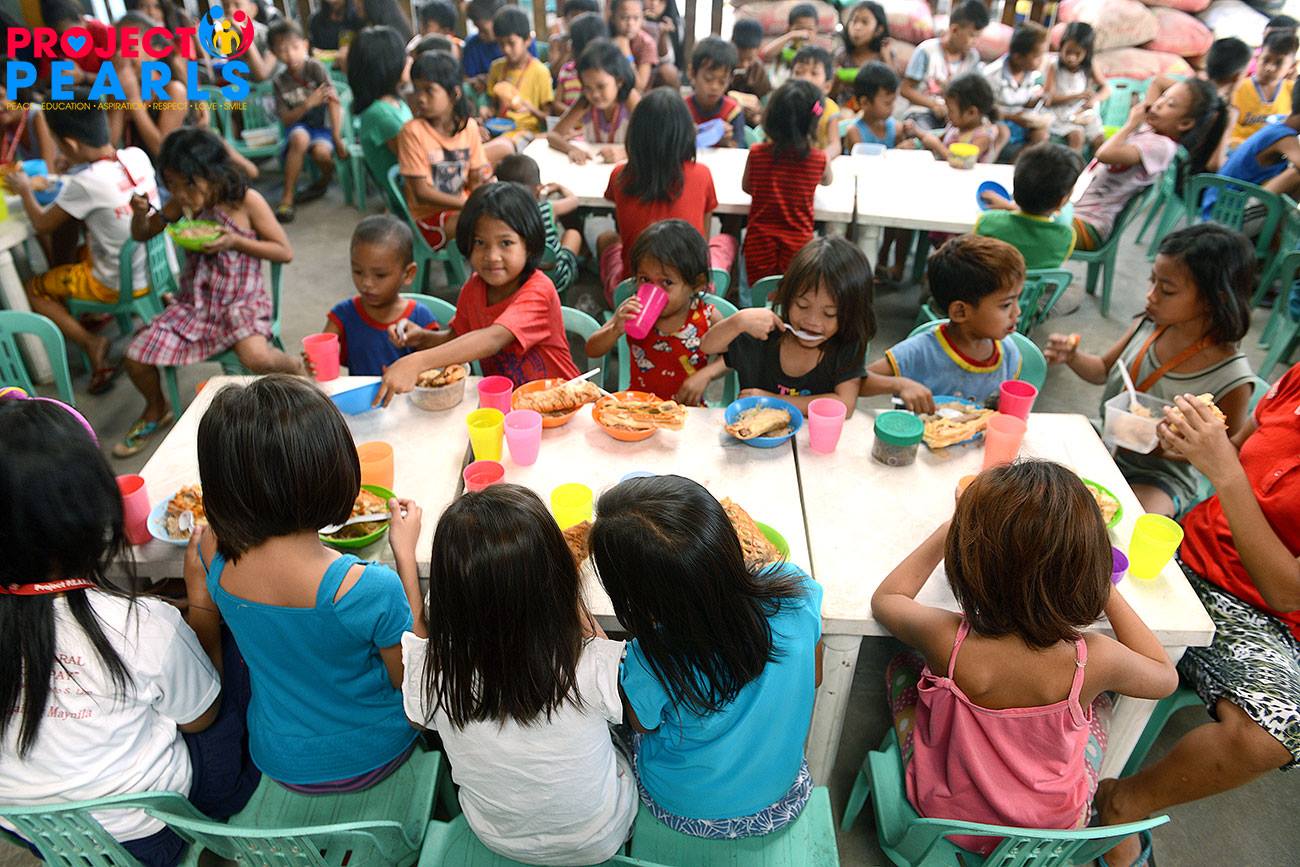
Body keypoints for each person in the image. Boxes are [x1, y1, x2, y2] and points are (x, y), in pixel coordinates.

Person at [0, 396, 259, 867]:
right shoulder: (138, 627)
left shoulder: (132, 625)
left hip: (44, 836)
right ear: (92, 510)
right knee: (239, 648)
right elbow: (202, 717)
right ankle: (225, 814)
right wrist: (201, 600)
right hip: (148, 835)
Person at [874, 461, 1177, 857]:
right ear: (1088, 570)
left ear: (967, 562)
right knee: (1100, 704)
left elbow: (887, 599)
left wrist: (952, 527)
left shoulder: (948, 640)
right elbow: (1164, 677)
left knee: (902, 666)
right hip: (1051, 830)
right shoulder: (1095, 659)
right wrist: (1105, 588)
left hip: (946, 816)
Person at [1094, 373, 1300, 867]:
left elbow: (1286, 590)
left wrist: (1223, 469)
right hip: (1186, 548)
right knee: (1057, 572)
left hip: (1259, 611)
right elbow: (1239, 448)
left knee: (1274, 733)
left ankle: (1123, 802)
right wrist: (1192, 443)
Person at [194, 376, 425, 792]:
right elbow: (410, 681)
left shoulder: (208, 551)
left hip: (278, 759)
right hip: (372, 754)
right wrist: (405, 557)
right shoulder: (368, 588)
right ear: (333, 471)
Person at [402, 485, 637, 864]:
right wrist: (569, 592)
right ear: (557, 579)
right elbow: (601, 652)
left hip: (497, 836)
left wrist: (405, 558)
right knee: (626, 736)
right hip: (597, 838)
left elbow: (417, 713)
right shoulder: (592, 662)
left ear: (447, 594)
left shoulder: (434, 673)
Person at [590, 474, 824, 838]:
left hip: (688, 810)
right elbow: (815, 676)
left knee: (602, 727)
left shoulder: (652, 658)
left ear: (635, 596)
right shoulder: (796, 591)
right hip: (781, 795)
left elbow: (643, 725)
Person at [1044, 224, 1256, 517]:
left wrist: (1162, 447)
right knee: (1040, 474)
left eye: (1166, 290)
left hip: (1160, 475)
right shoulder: (1148, 325)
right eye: (1152, 280)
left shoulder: (1232, 379)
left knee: (1132, 522)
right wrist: (1073, 357)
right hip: (1106, 439)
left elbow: (1225, 455)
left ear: (1214, 299)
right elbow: (1103, 369)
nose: (1151, 296)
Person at [119, 128, 300, 458]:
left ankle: (298, 370)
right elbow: (144, 234)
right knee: (134, 356)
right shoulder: (181, 203)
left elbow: (284, 251)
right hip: (196, 303)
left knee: (257, 357)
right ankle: (156, 408)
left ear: (213, 172)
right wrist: (139, 214)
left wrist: (235, 241)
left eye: (188, 184)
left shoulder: (247, 202)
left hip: (242, 300)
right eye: (171, 184)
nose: (180, 194)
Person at [3, 99, 159, 396]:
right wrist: (67, 172)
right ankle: (84, 316)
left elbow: (42, 224)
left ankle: (91, 342)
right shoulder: (135, 155)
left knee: (32, 288)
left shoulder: (85, 183)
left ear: (71, 145)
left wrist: (24, 189)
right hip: (148, 265)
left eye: (59, 145)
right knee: (71, 248)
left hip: (115, 282)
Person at [378, 183, 580, 402]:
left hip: (565, 400)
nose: (492, 256)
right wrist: (423, 338)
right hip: (510, 405)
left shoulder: (538, 290)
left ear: (529, 246)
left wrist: (418, 361)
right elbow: (457, 339)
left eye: (506, 243)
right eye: (480, 242)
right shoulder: (474, 288)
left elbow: (493, 338)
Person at [702, 237, 873, 417]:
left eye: (830, 313)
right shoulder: (766, 332)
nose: (813, 321)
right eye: (802, 306)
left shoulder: (846, 343)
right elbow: (708, 346)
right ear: (787, 296)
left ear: (851, 313)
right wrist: (739, 321)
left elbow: (845, 404)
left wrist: (772, 401)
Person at [596, 88, 737, 306]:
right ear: (686, 134)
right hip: (687, 293)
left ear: (635, 134)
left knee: (606, 239)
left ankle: (612, 307)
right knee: (727, 240)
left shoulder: (620, 176)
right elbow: (702, 240)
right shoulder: (702, 174)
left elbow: (623, 230)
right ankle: (720, 303)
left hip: (635, 292)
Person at [862, 235, 1024, 412]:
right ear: (960, 312)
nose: (1017, 312)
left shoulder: (1008, 353)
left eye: (1018, 299)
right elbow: (858, 381)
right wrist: (900, 384)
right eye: (1006, 305)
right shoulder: (920, 351)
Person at [1072, 80, 1228, 252]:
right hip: (1074, 212)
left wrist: (1130, 125)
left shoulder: (1162, 147)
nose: (1158, 104)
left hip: (1090, 225)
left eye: (1170, 104)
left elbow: (1104, 155)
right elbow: (1157, 82)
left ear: (1184, 123)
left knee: (1046, 228)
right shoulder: (1151, 130)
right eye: (1162, 97)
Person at [585, 220, 728, 404]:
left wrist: (707, 374)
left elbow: (735, 355)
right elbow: (592, 350)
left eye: (667, 282)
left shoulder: (706, 317)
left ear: (696, 284)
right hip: (638, 406)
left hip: (688, 411)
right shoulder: (632, 309)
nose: (654, 290)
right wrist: (615, 329)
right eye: (645, 279)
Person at [303, 216, 437, 378]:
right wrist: (315, 364)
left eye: (380, 275)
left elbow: (435, 371)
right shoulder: (343, 315)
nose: (366, 283)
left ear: (408, 274)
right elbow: (323, 362)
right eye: (358, 271)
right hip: (360, 394)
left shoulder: (420, 317)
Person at [397, 50, 491, 251]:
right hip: (428, 220)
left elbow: (475, 177)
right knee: (483, 227)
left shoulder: (469, 127)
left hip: (461, 207)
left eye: (429, 90)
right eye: (417, 89)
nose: (420, 98)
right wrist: (469, 205)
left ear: (454, 94)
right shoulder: (412, 132)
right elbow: (422, 193)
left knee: (499, 217)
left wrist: (482, 190)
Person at [742, 80, 833, 282]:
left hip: (759, 243)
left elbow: (747, 187)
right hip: (798, 246)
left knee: (760, 291)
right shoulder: (818, 159)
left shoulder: (756, 154)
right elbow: (827, 181)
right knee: (793, 290)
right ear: (813, 123)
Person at [268, 19, 348, 223]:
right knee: (299, 137)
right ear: (274, 53)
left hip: (322, 128)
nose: (290, 54)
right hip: (298, 126)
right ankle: (287, 198)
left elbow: (333, 101)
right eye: (282, 50)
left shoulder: (315, 68)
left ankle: (324, 180)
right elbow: (286, 119)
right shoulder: (279, 81)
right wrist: (307, 104)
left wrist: (336, 137)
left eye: (295, 47)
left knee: (322, 154)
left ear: (305, 45)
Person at [845, 61, 911, 282]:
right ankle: (856, 266)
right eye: (887, 103)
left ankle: (895, 264)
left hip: (890, 187)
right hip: (862, 189)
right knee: (856, 227)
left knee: (904, 220)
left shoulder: (895, 127)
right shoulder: (855, 131)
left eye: (893, 102)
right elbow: (864, 163)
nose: (892, 108)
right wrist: (895, 151)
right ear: (865, 102)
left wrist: (905, 144)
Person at [1145, 37, 1251, 173]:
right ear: (1238, 76)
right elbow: (1214, 165)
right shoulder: (1225, 113)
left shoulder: (1189, 91)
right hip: (1184, 175)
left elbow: (1158, 81)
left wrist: (1147, 120)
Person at [975, 142, 1082, 270]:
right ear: (1062, 202)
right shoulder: (1066, 237)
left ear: (1015, 188)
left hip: (993, 282)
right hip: (1034, 284)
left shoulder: (986, 222)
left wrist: (1009, 206)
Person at [495, 155, 583, 297]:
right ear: (538, 189)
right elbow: (574, 201)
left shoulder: (497, 215)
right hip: (556, 279)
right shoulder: (547, 208)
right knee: (573, 234)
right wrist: (560, 187)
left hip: (514, 282)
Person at [348, 26, 412, 208]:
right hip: (415, 203)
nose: (409, 60)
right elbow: (415, 158)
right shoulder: (382, 115)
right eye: (404, 56)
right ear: (388, 66)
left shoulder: (395, 103)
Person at [548, 39, 640, 163]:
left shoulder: (630, 98)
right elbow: (553, 135)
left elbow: (653, 139)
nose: (595, 94)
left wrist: (624, 152)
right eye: (587, 87)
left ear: (619, 80)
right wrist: (572, 149)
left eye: (601, 86)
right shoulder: (586, 101)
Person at [900, 0, 988, 130]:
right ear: (954, 29)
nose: (975, 42)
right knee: (924, 133)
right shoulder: (927, 51)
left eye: (978, 37)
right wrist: (933, 105)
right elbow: (905, 90)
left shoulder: (973, 58)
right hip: (923, 112)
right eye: (972, 36)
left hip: (957, 117)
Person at [486, 5, 554, 139]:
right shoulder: (496, 68)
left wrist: (530, 109)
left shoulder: (540, 72)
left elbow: (548, 117)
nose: (506, 49)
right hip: (498, 131)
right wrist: (486, 111)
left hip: (526, 134)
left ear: (527, 40)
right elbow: (492, 106)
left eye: (511, 43)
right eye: (501, 44)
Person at [983, 22, 1050, 155]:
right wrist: (1014, 118)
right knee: (1003, 132)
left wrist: (1039, 99)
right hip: (996, 122)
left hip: (1019, 122)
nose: (1041, 60)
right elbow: (987, 110)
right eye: (1037, 56)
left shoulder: (1030, 74)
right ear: (1017, 57)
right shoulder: (992, 75)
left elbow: (1024, 102)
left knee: (1041, 135)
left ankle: (1019, 163)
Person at [1044, 22, 1109, 154]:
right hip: (1061, 115)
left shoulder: (1089, 66)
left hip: (1083, 113)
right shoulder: (1054, 66)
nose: (1071, 58)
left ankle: (1096, 167)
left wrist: (1094, 99)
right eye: (1068, 52)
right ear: (1061, 46)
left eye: (1078, 53)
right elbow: (1048, 99)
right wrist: (1076, 96)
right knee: (1077, 136)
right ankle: (1073, 166)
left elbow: (1106, 88)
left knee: (1099, 139)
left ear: (1087, 52)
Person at [911, 72, 1001, 164]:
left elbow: (963, 161)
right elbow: (938, 137)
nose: (947, 114)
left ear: (971, 112)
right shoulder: (956, 127)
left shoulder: (983, 136)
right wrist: (917, 133)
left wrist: (937, 146)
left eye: (951, 111)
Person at [1229, 29, 1297, 148]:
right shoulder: (1238, 88)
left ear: (1292, 66)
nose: (1269, 67)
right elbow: (1230, 131)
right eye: (1266, 60)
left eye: (1278, 63)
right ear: (1258, 57)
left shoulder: (1293, 92)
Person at [686, 37, 747, 148]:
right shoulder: (683, 109)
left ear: (730, 79)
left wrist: (725, 142)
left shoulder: (733, 111)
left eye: (722, 81)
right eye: (708, 79)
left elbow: (740, 149)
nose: (714, 87)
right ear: (692, 73)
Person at [463, 0, 538, 83]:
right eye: (478, 29)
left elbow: (533, 71)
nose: (480, 35)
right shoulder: (472, 45)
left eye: (483, 30)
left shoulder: (523, 41)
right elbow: (466, 79)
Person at [791, 45, 844, 160]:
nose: (805, 79)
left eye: (814, 73)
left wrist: (821, 159)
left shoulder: (829, 108)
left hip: (819, 163)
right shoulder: (786, 104)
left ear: (827, 86)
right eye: (798, 72)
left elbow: (835, 145)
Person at [609, 0, 674, 92]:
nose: (630, 23)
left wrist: (626, 52)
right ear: (613, 18)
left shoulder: (646, 43)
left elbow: (639, 86)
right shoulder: (605, 36)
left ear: (642, 19)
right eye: (624, 17)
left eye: (636, 18)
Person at [834, 2, 893, 100]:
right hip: (845, 107)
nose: (857, 27)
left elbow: (892, 88)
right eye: (854, 21)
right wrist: (837, 80)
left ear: (878, 30)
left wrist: (886, 57)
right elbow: (831, 96)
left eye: (864, 22)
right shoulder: (842, 55)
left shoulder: (883, 55)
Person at [554, 12, 609, 111]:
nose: (569, 47)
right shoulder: (568, 70)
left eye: (572, 42)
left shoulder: (608, 73)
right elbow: (557, 103)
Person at [729, 18, 771, 126]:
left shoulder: (758, 70)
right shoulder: (723, 64)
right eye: (740, 59)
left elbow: (765, 103)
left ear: (758, 50)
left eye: (750, 59)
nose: (744, 64)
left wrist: (758, 114)